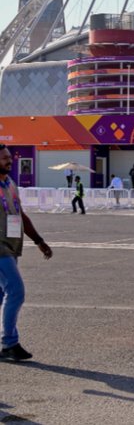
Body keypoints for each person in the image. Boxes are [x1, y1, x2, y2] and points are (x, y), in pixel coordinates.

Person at [0, 144, 53, 362]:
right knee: (16, 291)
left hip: (12, 246)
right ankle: (9, 343)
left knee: (2, 295)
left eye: (9, 157)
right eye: (4, 158)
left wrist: (39, 240)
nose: (9, 160)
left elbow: (20, 215)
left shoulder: (10, 184)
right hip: (0, 250)